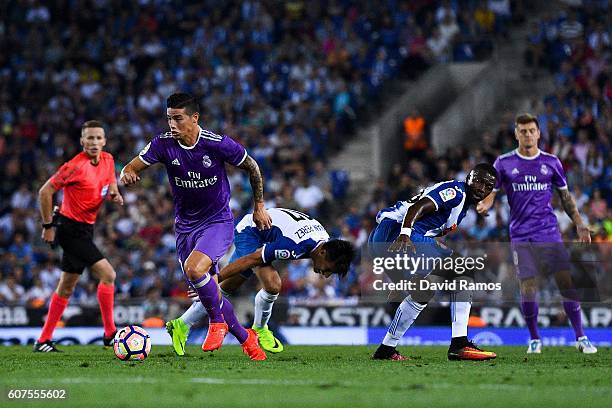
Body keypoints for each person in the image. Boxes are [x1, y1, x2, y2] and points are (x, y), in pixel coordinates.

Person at [120, 93, 271, 360]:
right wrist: (128, 172)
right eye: (169, 119)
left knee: (194, 269)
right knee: (210, 291)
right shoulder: (163, 144)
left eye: (178, 119)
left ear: (194, 118)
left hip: (217, 222)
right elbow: (131, 166)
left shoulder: (216, 144)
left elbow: (252, 166)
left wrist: (259, 206)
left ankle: (217, 323)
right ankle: (248, 341)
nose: (172, 124)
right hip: (185, 229)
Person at [477, 113, 597, 354]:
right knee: (528, 287)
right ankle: (534, 339)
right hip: (521, 234)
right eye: (523, 131)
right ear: (516, 134)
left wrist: (579, 222)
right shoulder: (503, 162)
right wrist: (487, 203)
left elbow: (565, 197)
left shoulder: (551, 162)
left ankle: (581, 337)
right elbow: (493, 190)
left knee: (565, 281)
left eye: (532, 130)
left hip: (548, 231)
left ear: (539, 133)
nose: (528, 135)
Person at [165, 207, 356, 355]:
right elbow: (251, 259)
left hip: (269, 233)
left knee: (226, 289)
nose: (326, 274)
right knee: (273, 284)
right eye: (328, 269)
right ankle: (259, 329)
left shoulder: (323, 243)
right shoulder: (296, 246)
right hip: (251, 232)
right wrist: (211, 280)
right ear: (322, 252)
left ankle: (181, 324)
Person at [371, 163, 498, 361]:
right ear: (468, 178)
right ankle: (459, 344)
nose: (482, 188)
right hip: (397, 232)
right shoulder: (456, 191)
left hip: (384, 239)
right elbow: (418, 207)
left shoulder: (464, 204)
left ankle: (386, 350)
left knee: (423, 292)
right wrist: (405, 233)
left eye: (488, 186)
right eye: (478, 181)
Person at [34, 120, 123, 352]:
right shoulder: (74, 166)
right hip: (69, 229)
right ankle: (110, 332)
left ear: (104, 141)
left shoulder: (108, 159)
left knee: (66, 286)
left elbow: (110, 178)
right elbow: (45, 191)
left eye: (98, 138)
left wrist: (114, 191)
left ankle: (43, 340)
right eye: (89, 138)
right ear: (82, 141)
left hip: (86, 228)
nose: (94, 142)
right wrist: (48, 225)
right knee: (108, 274)